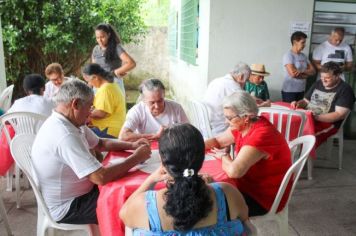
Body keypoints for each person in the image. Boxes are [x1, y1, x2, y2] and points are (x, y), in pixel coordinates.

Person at [31, 79, 151, 224]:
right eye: (90, 107)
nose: (90, 113)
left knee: (127, 186)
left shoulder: (70, 122)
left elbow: (101, 143)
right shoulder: (64, 134)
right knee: (135, 203)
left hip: (82, 192)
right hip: (70, 206)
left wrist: (132, 145)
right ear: (75, 104)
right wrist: (136, 158)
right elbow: (100, 177)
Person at [120, 123, 248, 235]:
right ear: (202, 158)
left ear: (162, 160)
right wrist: (215, 186)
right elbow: (245, 220)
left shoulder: (145, 204)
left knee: (131, 229)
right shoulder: (228, 193)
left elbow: (124, 214)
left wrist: (151, 179)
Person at [205, 91, 291, 216]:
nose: (225, 122)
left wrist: (224, 156)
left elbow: (234, 172)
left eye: (229, 118)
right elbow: (218, 141)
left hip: (262, 198)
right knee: (205, 195)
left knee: (207, 207)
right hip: (247, 186)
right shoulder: (243, 125)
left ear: (246, 117)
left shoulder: (261, 135)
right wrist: (192, 147)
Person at [291, 61, 355, 147]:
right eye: (321, 77)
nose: (323, 80)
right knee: (288, 130)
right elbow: (305, 101)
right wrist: (298, 104)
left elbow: (339, 115)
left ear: (337, 76)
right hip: (309, 117)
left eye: (327, 78)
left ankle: (301, 159)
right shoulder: (318, 83)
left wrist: (316, 117)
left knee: (304, 139)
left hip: (328, 123)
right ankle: (290, 157)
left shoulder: (345, 90)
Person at [119, 79, 189, 141]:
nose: (157, 106)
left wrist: (170, 132)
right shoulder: (137, 111)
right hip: (145, 148)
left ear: (164, 95)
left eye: (160, 101)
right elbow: (123, 136)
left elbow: (189, 132)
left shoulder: (176, 108)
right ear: (143, 100)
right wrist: (154, 136)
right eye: (152, 102)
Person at [204, 62, 251, 135]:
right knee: (247, 122)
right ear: (241, 77)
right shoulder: (234, 86)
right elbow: (246, 108)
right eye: (247, 80)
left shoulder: (216, 80)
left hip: (205, 123)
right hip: (218, 126)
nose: (246, 83)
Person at [92, 23, 136, 97]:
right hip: (98, 84)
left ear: (108, 35)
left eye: (102, 37)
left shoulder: (116, 48)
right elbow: (93, 68)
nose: (100, 40)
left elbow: (131, 63)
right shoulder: (96, 49)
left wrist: (116, 72)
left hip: (113, 84)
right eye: (97, 38)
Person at [82, 63, 126, 138]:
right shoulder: (109, 85)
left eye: (89, 81)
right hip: (110, 128)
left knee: (78, 135)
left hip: (109, 130)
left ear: (95, 77)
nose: (89, 84)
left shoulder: (106, 89)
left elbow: (101, 113)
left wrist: (85, 113)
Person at [282, 31, 316, 102]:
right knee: (290, 111)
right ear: (295, 42)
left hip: (301, 89)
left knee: (299, 111)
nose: (304, 45)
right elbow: (293, 74)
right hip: (289, 91)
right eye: (302, 42)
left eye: (305, 42)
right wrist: (306, 76)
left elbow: (313, 71)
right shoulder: (288, 55)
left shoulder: (304, 56)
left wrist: (301, 71)